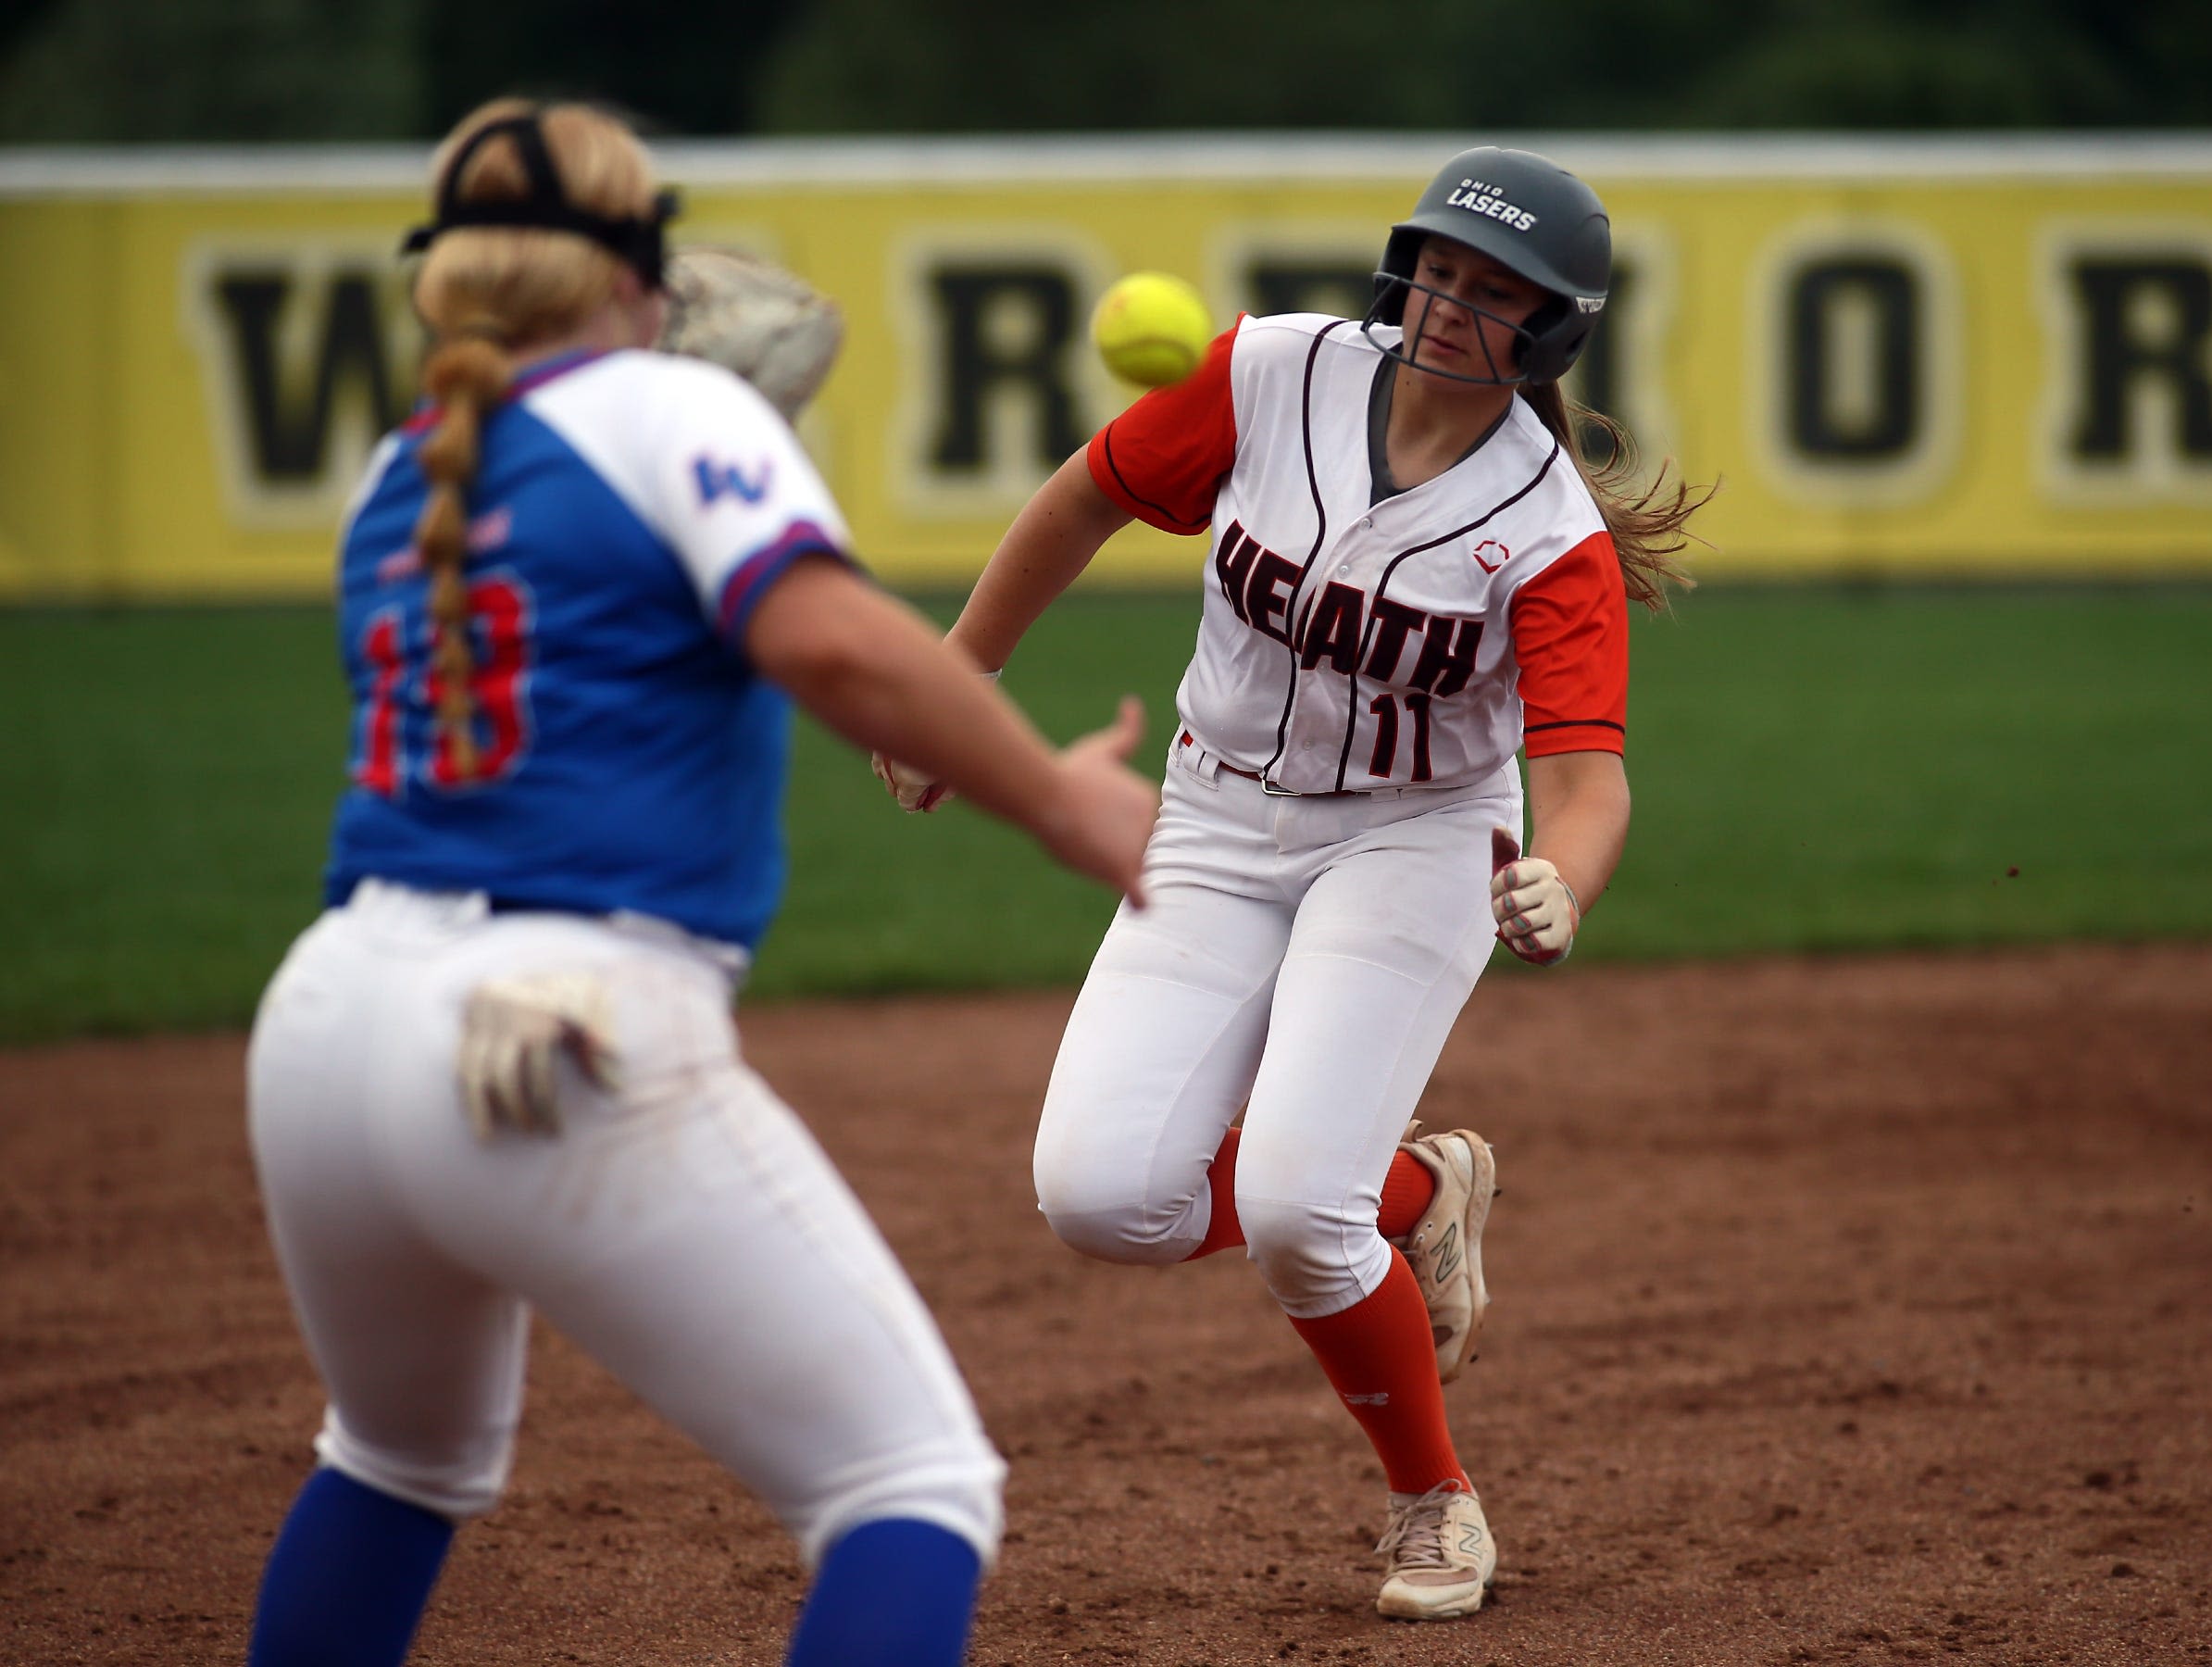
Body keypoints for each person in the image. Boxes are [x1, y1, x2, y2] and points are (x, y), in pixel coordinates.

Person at [242, 97, 1157, 1667]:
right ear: (634, 270)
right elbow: (829, 642)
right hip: (557, 1025)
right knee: (909, 1485)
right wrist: (1065, 802)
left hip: (326, 1029)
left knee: (395, 1463)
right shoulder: (673, 414)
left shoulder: (401, 470)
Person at [873, 145, 1707, 1622]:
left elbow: (1587, 784)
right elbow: (1081, 499)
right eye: (1439, 268)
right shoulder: (1273, 374)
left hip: (1416, 844)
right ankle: (1420, 1190)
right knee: (1097, 1197)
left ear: (1554, 330)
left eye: (1493, 290)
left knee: (1291, 1213)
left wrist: (1562, 887)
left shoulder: (1549, 532)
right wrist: (958, 683)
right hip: (1209, 818)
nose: (1450, 304)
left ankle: (1433, 1504)